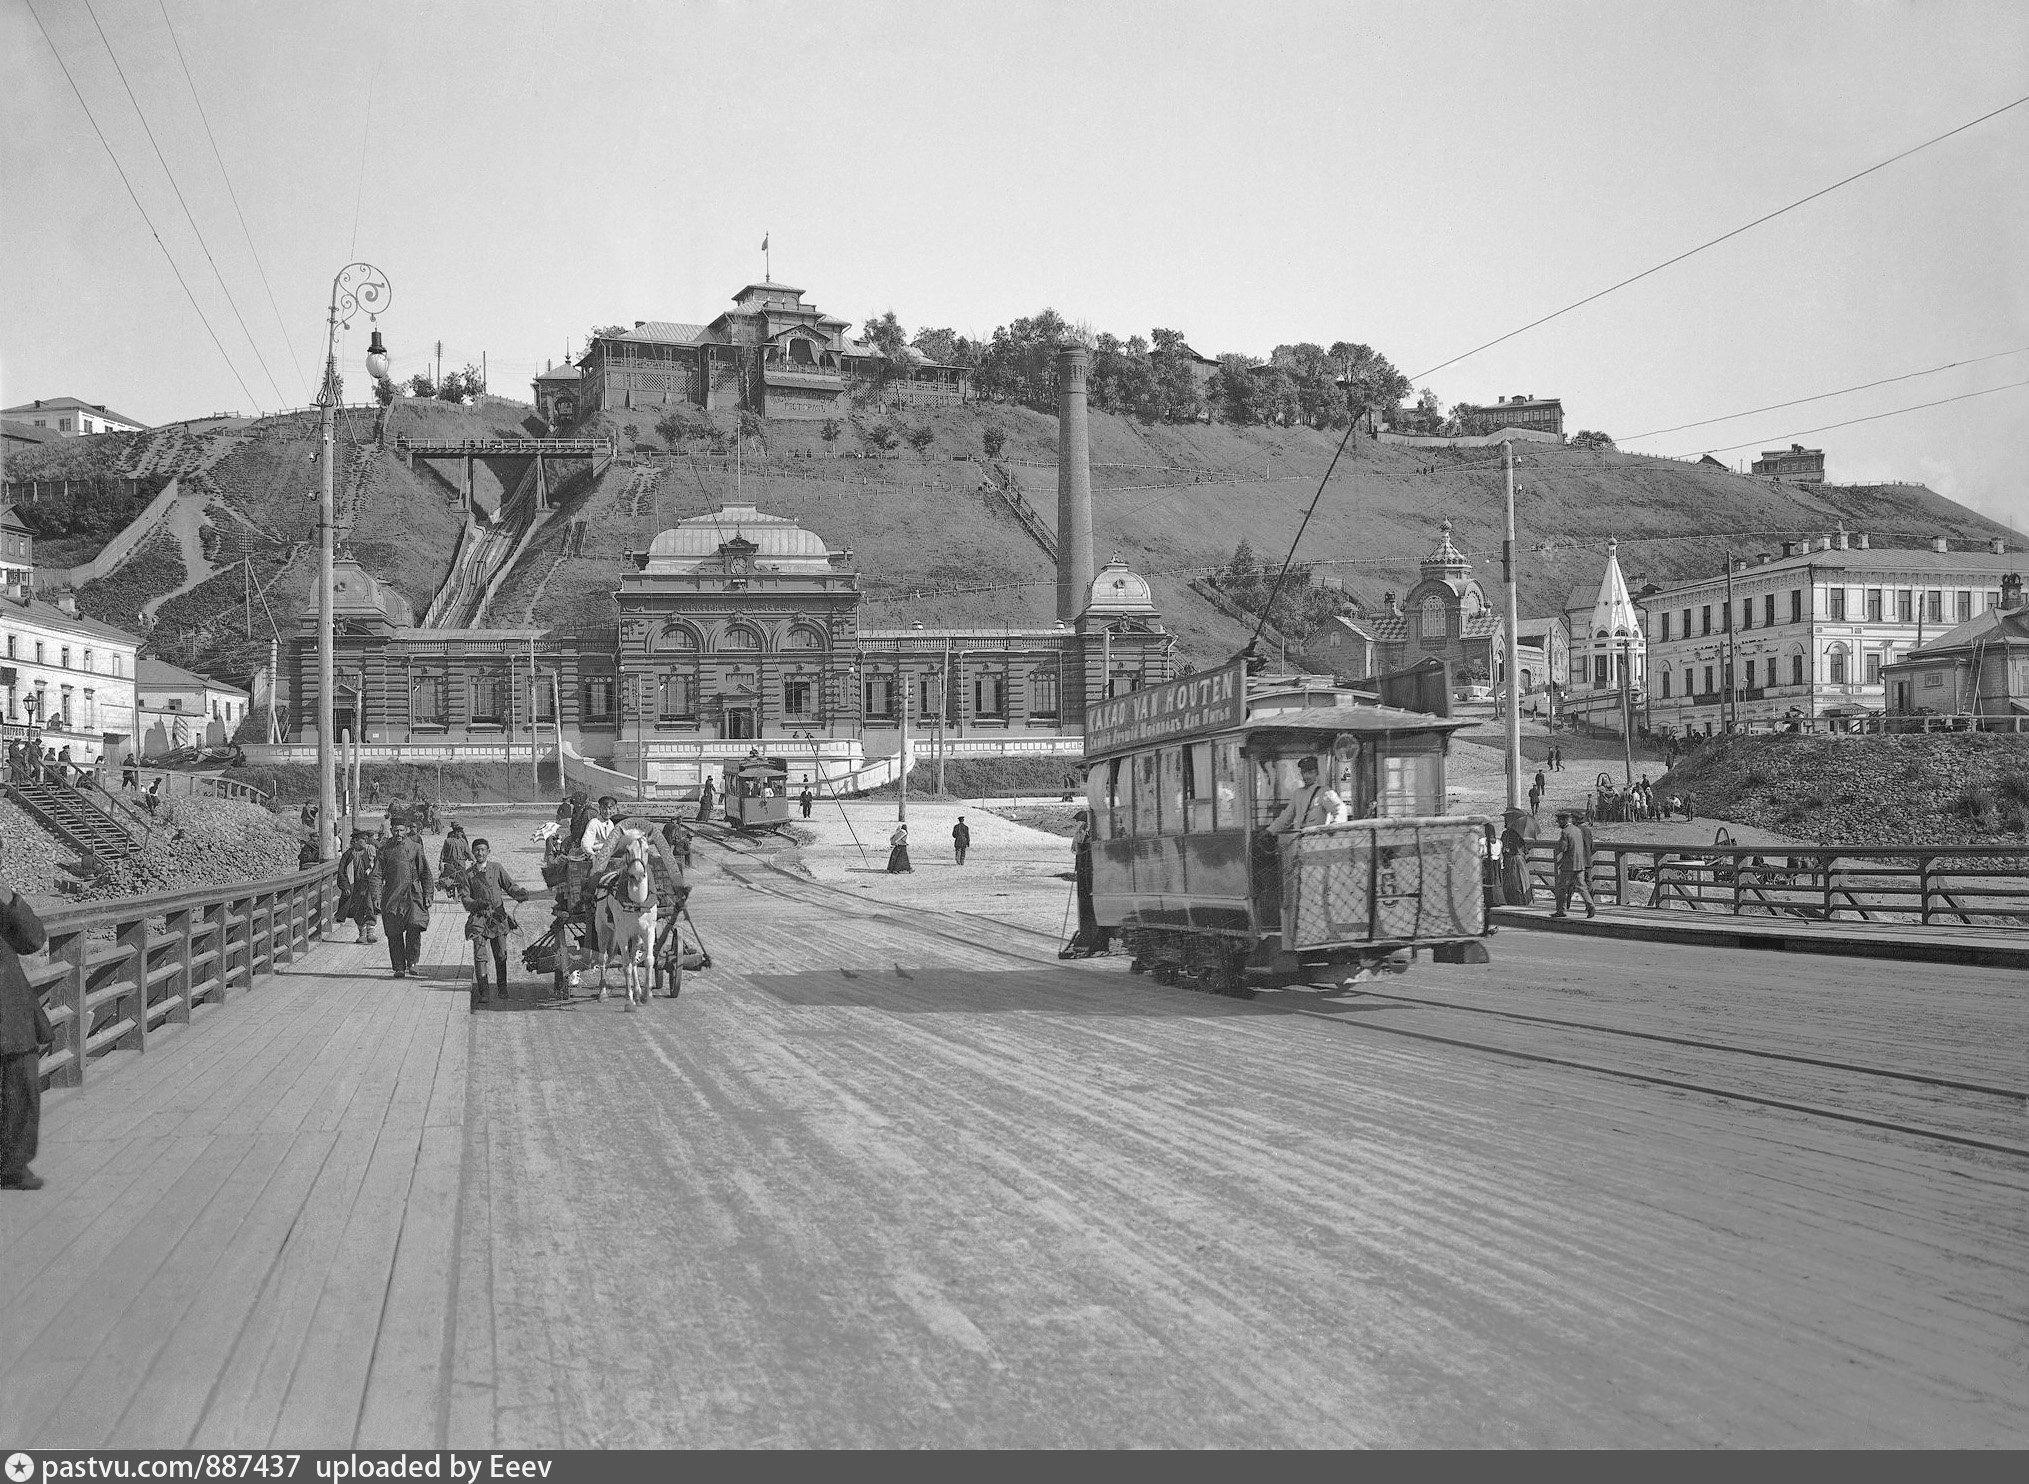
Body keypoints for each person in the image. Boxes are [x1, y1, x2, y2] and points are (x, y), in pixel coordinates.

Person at [1, 877, 53, 1191]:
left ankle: (13, 1166)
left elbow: (33, 941)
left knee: (22, 1086)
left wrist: (10, 901)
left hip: (10, 1008)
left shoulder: (3, 898)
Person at [460, 837, 530, 1008]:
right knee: (480, 955)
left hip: (498, 918)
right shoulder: (468, 874)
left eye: (483, 850)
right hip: (479, 919)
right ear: (472, 853)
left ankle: (502, 987)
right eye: (477, 850)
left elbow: (509, 886)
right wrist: (476, 904)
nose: (480, 853)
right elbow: (465, 898)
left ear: (488, 852)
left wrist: (519, 894)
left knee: (501, 954)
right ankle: (484, 991)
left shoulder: (497, 868)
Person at [377, 824, 434, 978]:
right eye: (395, 830)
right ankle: (399, 967)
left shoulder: (415, 848)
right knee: (394, 932)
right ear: (391, 830)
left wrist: (428, 894)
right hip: (392, 895)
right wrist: (376, 896)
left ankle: (413, 963)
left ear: (406, 830)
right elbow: (376, 875)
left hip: (413, 894)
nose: (398, 834)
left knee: (415, 927)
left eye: (401, 830)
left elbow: (425, 873)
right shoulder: (384, 850)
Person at [1270, 756, 1343, 833]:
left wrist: (1335, 829)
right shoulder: (1297, 794)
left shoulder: (1324, 792)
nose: (1306, 776)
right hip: (1300, 839)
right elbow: (1286, 817)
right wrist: (1269, 831)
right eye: (1304, 772)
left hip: (1316, 839)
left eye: (1310, 773)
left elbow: (1340, 809)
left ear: (1317, 773)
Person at [336, 828, 381, 943]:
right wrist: (345, 886)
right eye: (363, 840)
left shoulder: (371, 851)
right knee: (357, 909)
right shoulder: (349, 855)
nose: (365, 842)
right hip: (355, 886)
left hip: (369, 885)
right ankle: (361, 933)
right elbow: (341, 871)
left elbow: (378, 867)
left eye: (366, 839)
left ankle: (371, 932)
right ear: (355, 841)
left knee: (370, 907)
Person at [1551, 811, 1597, 920]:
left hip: (1568, 865)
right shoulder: (1577, 830)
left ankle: (1561, 910)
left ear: (1563, 820)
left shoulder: (1565, 832)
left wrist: (1559, 846)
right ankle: (1591, 906)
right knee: (1582, 887)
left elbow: (1563, 848)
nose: (1558, 823)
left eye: (1559, 821)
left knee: (1561, 888)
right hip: (1580, 864)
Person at [1500, 810, 1534, 908]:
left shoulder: (1518, 834)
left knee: (1518, 881)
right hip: (1509, 860)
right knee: (1511, 882)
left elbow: (1523, 848)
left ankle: (1521, 900)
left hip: (1516, 860)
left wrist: (1511, 849)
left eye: (1507, 820)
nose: (1505, 822)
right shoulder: (1505, 833)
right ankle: (1512, 900)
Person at [439, 822, 474, 899]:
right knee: (448, 878)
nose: (461, 833)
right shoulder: (448, 840)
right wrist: (441, 862)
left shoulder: (463, 841)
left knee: (462, 878)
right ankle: (449, 890)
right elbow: (443, 852)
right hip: (451, 862)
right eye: (459, 832)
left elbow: (467, 850)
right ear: (456, 832)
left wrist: (472, 859)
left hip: (461, 862)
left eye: (461, 832)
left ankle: (459, 893)